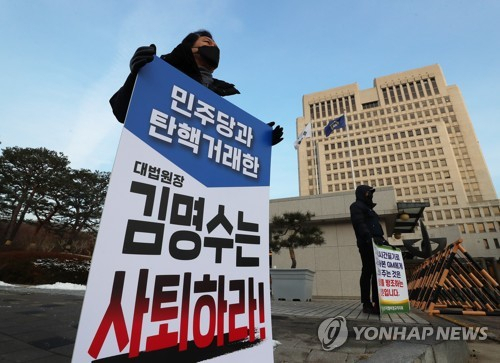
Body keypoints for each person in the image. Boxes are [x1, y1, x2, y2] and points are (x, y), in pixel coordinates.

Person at [110, 29, 284, 145]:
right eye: (207, 42)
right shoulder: (161, 69)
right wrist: (137, 75)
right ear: (190, 48)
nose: (213, 47)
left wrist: (258, 141)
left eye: (215, 46)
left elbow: (219, 141)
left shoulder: (218, 92)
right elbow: (122, 111)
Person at [349, 185, 391, 315]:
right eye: (368, 193)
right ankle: (367, 303)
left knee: (378, 273)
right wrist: (369, 238)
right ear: (362, 194)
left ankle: (378, 302)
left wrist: (383, 240)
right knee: (368, 271)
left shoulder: (370, 209)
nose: (370, 195)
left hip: (378, 242)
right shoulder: (356, 206)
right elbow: (359, 223)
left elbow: (376, 227)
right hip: (367, 243)